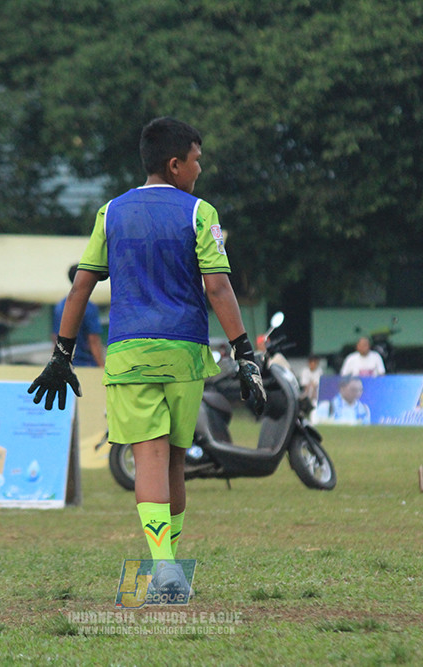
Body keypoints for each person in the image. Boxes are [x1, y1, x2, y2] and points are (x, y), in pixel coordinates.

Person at [28, 117, 266, 595]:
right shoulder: (201, 213)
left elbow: (82, 285)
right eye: (196, 160)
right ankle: (169, 567)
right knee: (175, 461)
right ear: (175, 164)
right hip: (183, 353)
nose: (200, 168)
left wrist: (61, 354)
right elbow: (218, 287)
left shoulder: (110, 213)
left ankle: (164, 567)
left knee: (150, 459)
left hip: (130, 354)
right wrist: (245, 354)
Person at [53, 264, 105, 367]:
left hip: (67, 363)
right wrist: (102, 367)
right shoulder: (89, 307)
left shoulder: (60, 306)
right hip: (87, 363)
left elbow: (55, 337)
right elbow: (93, 340)